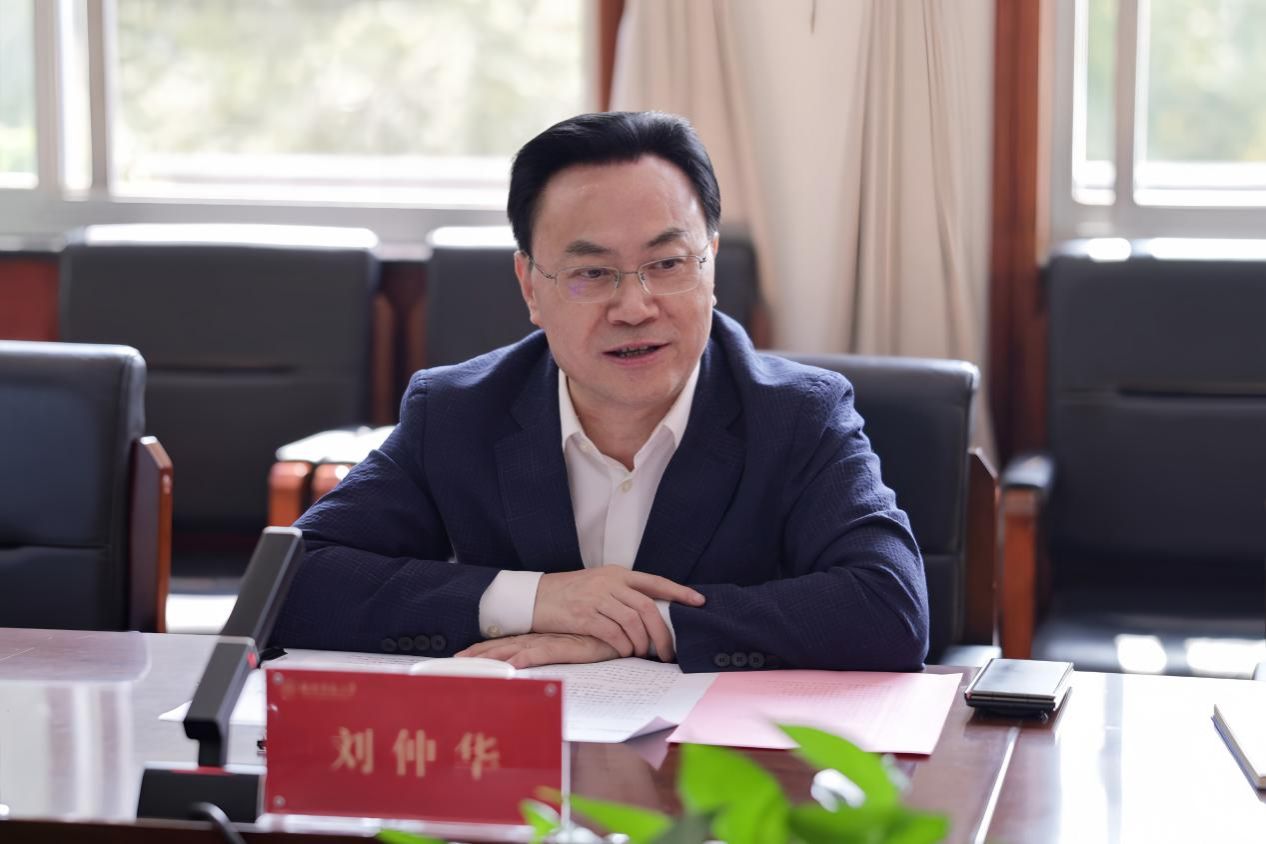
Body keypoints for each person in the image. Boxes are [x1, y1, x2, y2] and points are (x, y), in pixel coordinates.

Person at [272, 111, 929, 673]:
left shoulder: (797, 415)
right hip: (526, 762)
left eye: (667, 264)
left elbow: (890, 607)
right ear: (530, 286)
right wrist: (539, 601)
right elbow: (291, 583)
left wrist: (644, 626)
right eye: (591, 272)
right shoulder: (458, 411)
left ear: (710, 266)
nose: (635, 307)